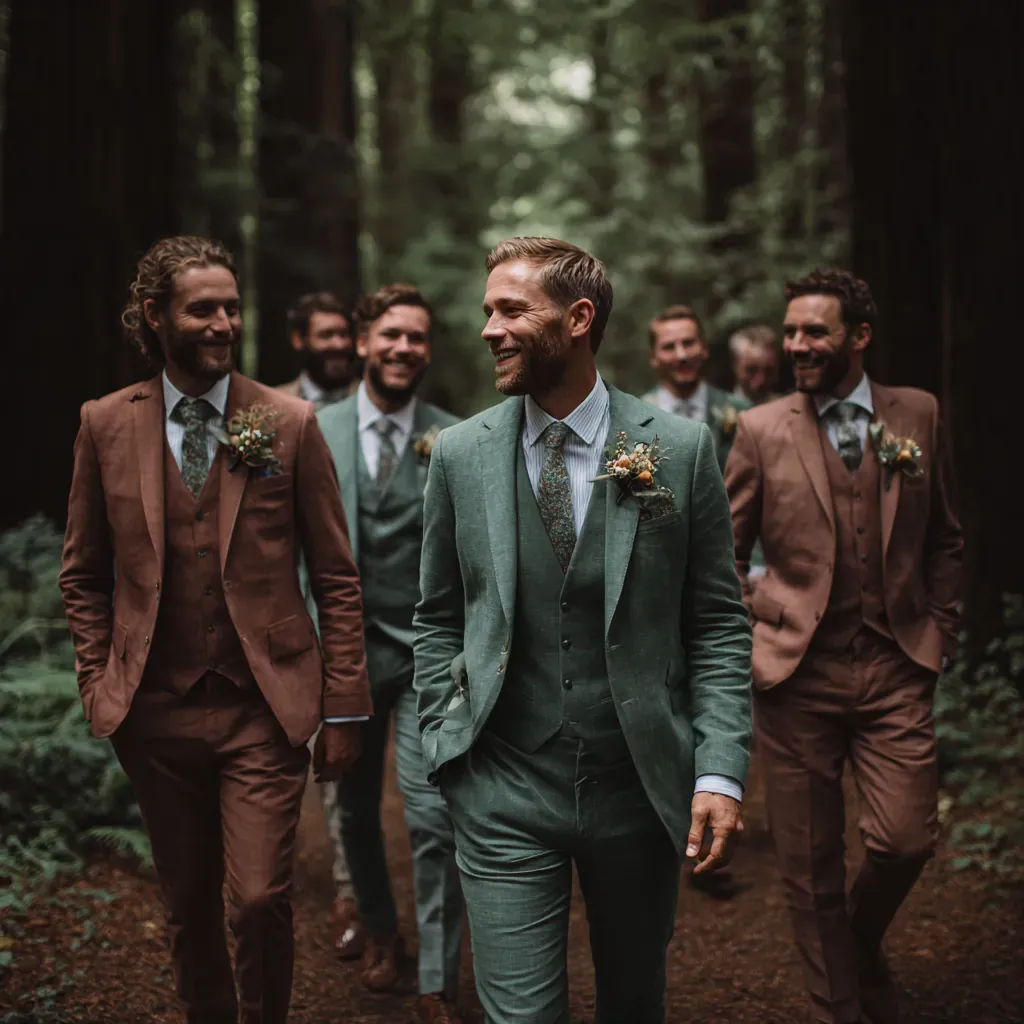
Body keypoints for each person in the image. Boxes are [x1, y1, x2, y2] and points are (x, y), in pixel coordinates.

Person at [413, 237, 752, 1023]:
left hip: (637, 783)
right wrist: (444, 737)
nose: (489, 328)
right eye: (486, 310)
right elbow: (436, 617)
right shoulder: (461, 455)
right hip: (501, 786)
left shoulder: (679, 449)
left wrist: (719, 770)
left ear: (578, 317)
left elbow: (718, 625)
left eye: (510, 309)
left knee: (634, 1003)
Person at [59, 235, 372, 1024]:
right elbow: (83, 573)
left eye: (232, 307)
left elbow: (335, 577)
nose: (223, 323)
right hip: (154, 712)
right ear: (155, 316)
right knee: (189, 901)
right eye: (203, 309)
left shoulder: (290, 421)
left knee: (259, 896)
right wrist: (99, 680)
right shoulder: (104, 425)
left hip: (260, 709)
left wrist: (343, 705)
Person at [724, 269, 963, 1024]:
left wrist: (943, 626)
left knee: (904, 841)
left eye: (813, 331)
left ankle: (859, 942)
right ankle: (839, 1009)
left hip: (896, 666)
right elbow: (720, 557)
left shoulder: (917, 416)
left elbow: (948, 537)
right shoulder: (761, 430)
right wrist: (763, 611)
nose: (796, 345)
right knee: (810, 868)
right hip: (795, 678)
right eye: (790, 330)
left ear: (859, 336)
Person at [316, 284, 464, 1024]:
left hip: (426, 660)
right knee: (350, 810)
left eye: (418, 338)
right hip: (339, 658)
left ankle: (438, 972)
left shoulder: (457, 435)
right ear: (363, 341)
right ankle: (380, 931)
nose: (406, 349)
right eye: (393, 335)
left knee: (434, 815)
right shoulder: (313, 426)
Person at [642, 304, 750, 470]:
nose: (682, 355)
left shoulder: (741, 412)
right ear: (653, 357)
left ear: (704, 348)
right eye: (669, 347)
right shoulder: (635, 418)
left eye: (688, 343)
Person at [277, 291, 359, 405]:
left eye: (344, 334)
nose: (339, 345)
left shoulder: (372, 401)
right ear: (298, 340)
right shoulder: (274, 404)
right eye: (326, 335)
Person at [729, 324, 782, 405]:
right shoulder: (714, 412)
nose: (761, 380)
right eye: (751, 370)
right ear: (735, 365)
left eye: (769, 371)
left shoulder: (788, 410)